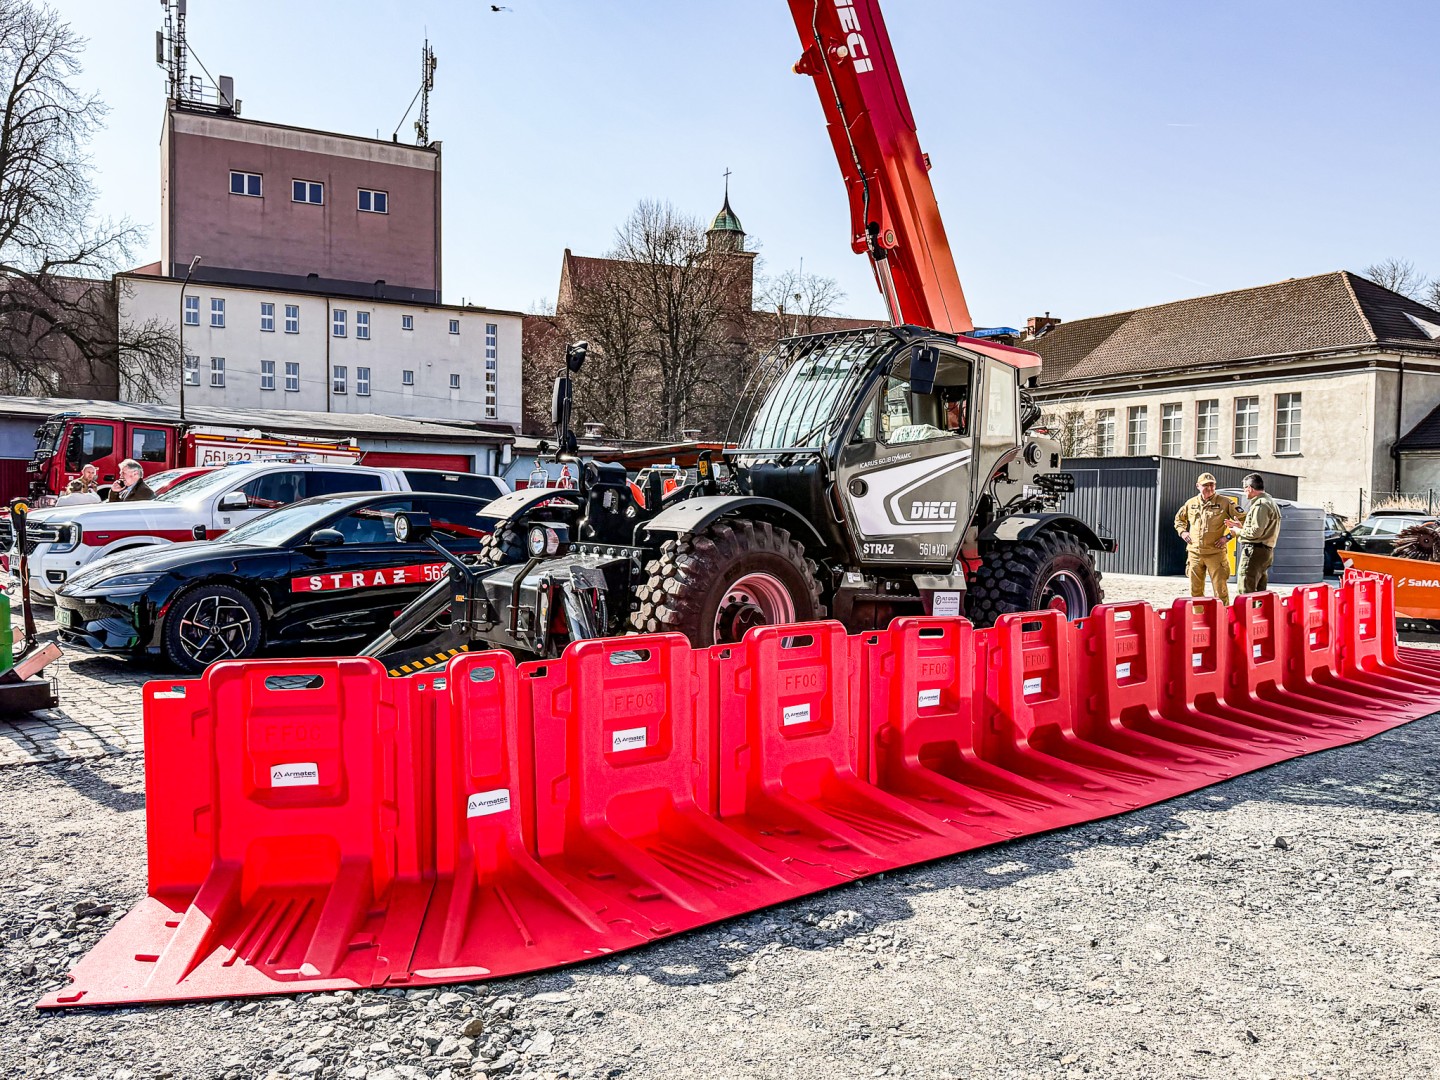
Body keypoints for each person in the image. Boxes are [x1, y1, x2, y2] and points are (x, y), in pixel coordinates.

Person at [1174, 471, 1243, 604]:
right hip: (1195, 553)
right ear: (1198, 486)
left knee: (1220, 590)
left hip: (1215, 553)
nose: (1210, 488)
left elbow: (1242, 522)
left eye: (1212, 485)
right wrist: (1183, 532)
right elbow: (1179, 520)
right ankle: (1198, 618)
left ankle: (1223, 617)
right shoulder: (1191, 503)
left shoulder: (1225, 502)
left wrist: (1228, 536)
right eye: (1206, 486)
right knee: (1195, 590)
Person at [1233, 472, 1282, 593]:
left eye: (1244, 489)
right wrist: (1242, 527)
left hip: (1254, 550)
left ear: (1249, 488)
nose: (1244, 492)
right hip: (1264, 550)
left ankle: (1246, 612)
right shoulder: (1269, 501)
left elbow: (1256, 532)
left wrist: (1238, 531)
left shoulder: (1261, 505)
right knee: (1259, 591)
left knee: (1246, 589)